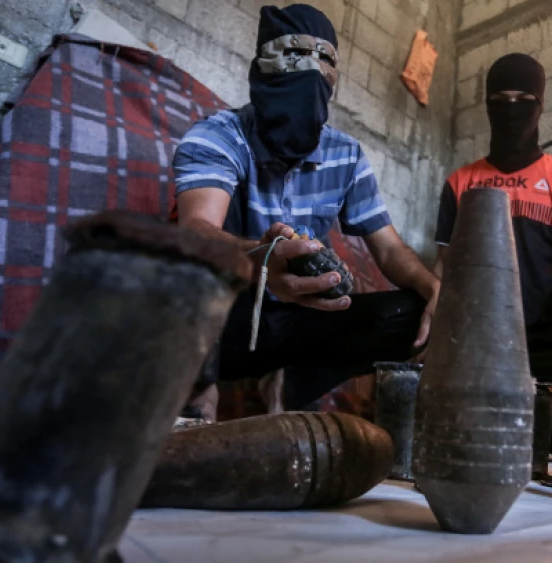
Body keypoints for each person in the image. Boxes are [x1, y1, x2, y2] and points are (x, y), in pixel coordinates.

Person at [172, 4, 439, 417]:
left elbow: (388, 250)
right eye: (294, 62)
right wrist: (260, 261)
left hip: (302, 317)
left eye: (322, 65)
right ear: (261, 70)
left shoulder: (346, 156)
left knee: (413, 313)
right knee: (184, 263)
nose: (308, 80)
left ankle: (288, 386)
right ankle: (200, 388)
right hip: (230, 320)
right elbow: (197, 228)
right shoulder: (218, 135)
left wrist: (436, 288)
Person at [432, 53, 552, 383]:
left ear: (540, 105)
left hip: (545, 343)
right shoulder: (459, 182)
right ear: (488, 105)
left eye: (523, 100)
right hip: (474, 341)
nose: (511, 109)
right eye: (500, 100)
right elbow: (445, 267)